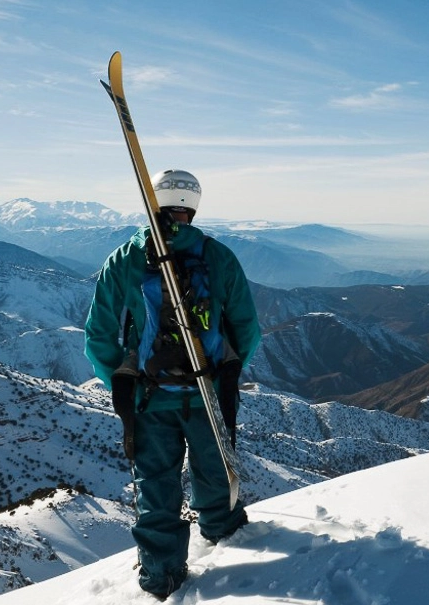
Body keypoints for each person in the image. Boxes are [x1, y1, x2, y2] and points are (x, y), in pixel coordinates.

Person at [84, 169, 261, 599]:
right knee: (214, 469)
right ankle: (223, 531)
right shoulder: (217, 257)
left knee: (156, 484)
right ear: (193, 206)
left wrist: (126, 383)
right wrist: (222, 376)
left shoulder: (125, 259)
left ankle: (161, 574)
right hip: (207, 393)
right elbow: (246, 328)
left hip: (150, 398)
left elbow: (98, 337)